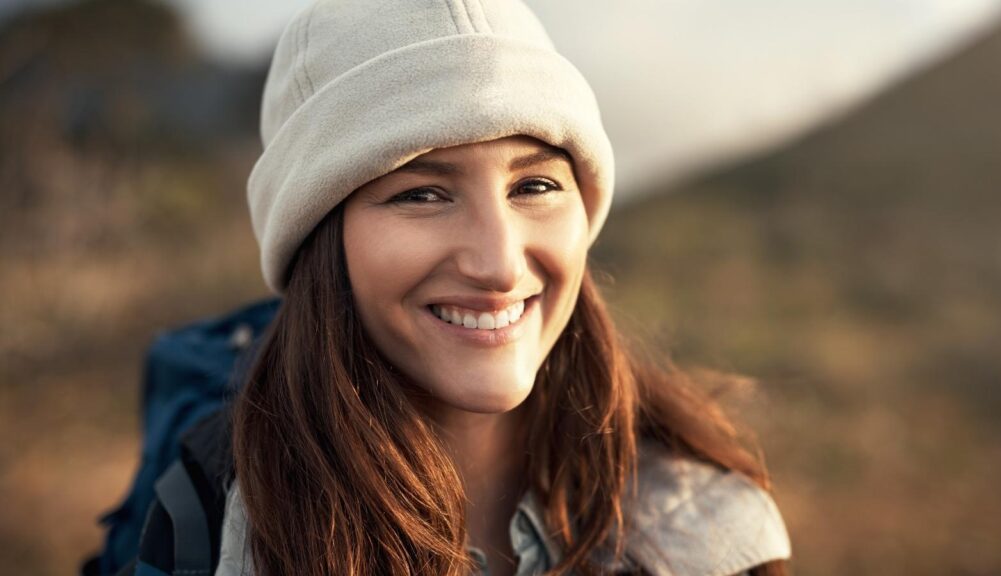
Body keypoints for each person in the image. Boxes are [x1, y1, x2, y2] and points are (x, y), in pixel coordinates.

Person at [214, 1, 791, 575]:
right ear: (314, 242)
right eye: (421, 194)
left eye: (535, 186)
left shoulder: (714, 539)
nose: (500, 265)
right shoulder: (206, 534)